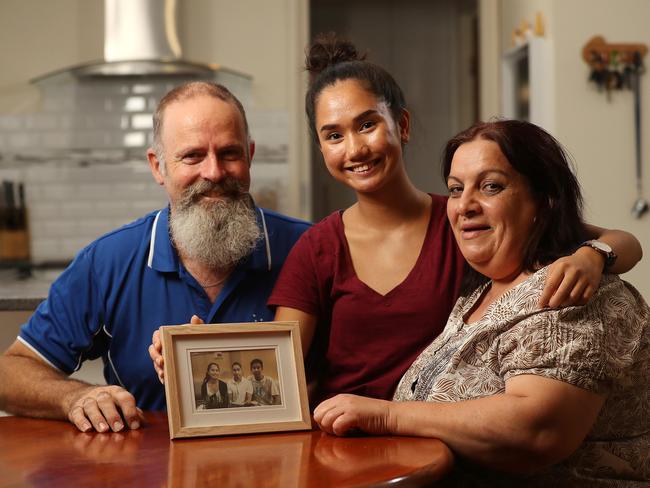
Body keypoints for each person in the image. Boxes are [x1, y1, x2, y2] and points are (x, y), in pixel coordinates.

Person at [268, 35, 643, 405]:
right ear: (321, 149)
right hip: (341, 439)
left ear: (403, 125)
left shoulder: (465, 224)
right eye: (334, 135)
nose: (355, 148)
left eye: (367, 124)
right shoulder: (318, 249)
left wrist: (591, 256)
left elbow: (621, 241)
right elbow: (279, 375)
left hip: (449, 440)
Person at [312, 120, 649, 484]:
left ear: (544, 199)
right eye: (456, 189)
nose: (465, 205)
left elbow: (535, 432)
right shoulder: (481, 292)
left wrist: (386, 416)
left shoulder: (571, 292)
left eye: (491, 186)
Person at [0, 81, 309, 433]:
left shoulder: (310, 248)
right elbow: (10, 373)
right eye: (192, 155)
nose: (213, 172)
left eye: (229, 153)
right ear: (158, 166)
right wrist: (75, 398)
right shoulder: (107, 262)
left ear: (250, 155)